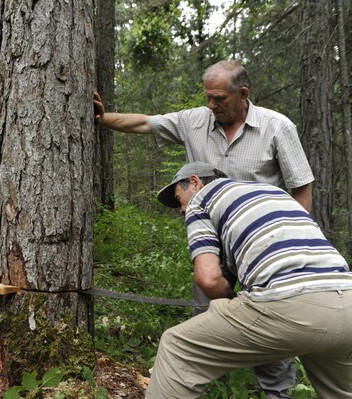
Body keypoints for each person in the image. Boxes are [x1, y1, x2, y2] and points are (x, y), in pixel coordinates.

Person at [94, 60, 313, 397]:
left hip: (261, 245)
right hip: (210, 243)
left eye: (219, 99)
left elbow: (301, 187)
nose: (211, 105)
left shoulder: (277, 127)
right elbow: (144, 123)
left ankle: (276, 392)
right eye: (208, 97)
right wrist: (102, 118)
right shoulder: (195, 120)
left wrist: (292, 239)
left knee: (269, 317)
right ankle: (209, 388)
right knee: (207, 315)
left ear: (243, 94)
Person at [145, 161, 352, 398]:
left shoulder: (200, 200)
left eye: (179, 198)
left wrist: (234, 303)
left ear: (195, 182)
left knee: (176, 346)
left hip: (289, 306)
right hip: (347, 304)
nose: (181, 209)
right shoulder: (275, 193)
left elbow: (209, 278)